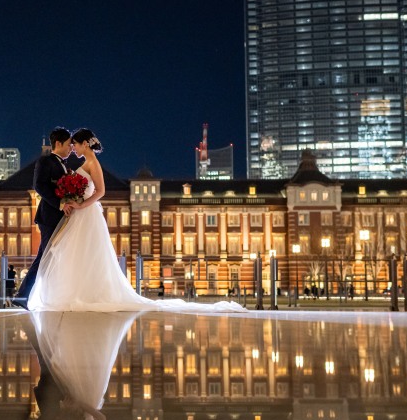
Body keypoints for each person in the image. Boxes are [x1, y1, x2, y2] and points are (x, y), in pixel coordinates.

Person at [27, 128, 244, 314]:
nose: (72, 148)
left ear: (85, 144)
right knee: (77, 255)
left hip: (85, 214)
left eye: (74, 144)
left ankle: (84, 295)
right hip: (78, 215)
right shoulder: (84, 162)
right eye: (70, 144)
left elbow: (101, 191)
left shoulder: (93, 163)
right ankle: (75, 293)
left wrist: (81, 205)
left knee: (85, 254)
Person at [12, 127, 75, 309]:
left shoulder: (63, 165)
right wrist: (60, 204)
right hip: (49, 217)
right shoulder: (46, 161)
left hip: (57, 217)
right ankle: (26, 296)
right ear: (58, 143)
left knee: (47, 257)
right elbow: (39, 186)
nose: (71, 148)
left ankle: (25, 296)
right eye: (69, 145)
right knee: (46, 256)